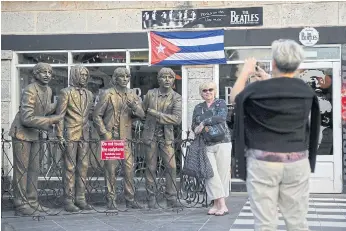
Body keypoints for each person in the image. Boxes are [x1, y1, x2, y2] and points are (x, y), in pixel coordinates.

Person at [230, 39, 321, 231]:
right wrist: (269, 80)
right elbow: (282, 91)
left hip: (263, 162)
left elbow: (235, 99)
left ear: (273, 64)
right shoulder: (305, 90)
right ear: (298, 65)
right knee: (297, 221)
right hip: (297, 161)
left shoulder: (256, 90)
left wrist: (246, 71)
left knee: (265, 223)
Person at [9, 63, 62, 215]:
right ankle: (20, 204)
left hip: (35, 134)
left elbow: (43, 109)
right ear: (36, 74)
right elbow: (26, 118)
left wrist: (58, 104)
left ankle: (32, 201)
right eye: (43, 72)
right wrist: (51, 120)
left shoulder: (49, 90)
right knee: (22, 170)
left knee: (34, 169)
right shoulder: (30, 89)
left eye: (49, 72)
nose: (47, 75)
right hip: (22, 134)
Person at [93, 67, 145, 210]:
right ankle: (111, 200)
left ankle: (130, 199)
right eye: (122, 76)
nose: (125, 79)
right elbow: (96, 116)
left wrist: (134, 107)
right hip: (112, 137)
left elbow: (142, 114)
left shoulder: (132, 94)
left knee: (129, 169)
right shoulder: (107, 94)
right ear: (115, 78)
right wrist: (104, 133)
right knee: (111, 170)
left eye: (127, 77)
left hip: (126, 138)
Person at [142, 67, 182, 209]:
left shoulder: (176, 97)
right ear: (158, 79)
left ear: (173, 80)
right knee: (151, 167)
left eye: (170, 77)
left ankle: (171, 197)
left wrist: (155, 114)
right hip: (150, 135)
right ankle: (151, 197)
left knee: (171, 167)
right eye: (163, 77)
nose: (167, 80)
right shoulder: (150, 94)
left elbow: (176, 119)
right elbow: (142, 112)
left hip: (166, 137)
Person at [56, 65, 94, 212]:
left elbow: (90, 114)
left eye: (86, 75)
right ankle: (68, 200)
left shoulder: (90, 94)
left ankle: (80, 198)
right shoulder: (65, 93)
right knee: (70, 168)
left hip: (84, 135)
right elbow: (60, 116)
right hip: (70, 134)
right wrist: (59, 135)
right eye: (82, 75)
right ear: (74, 75)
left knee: (83, 167)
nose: (84, 77)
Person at [191, 81, 232, 216]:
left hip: (223, 142)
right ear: (201, 93)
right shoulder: (198, 107)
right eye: (204, 90)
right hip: (206, 144)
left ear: (214, 91)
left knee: (222, 174)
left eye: (210, 90)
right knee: (211, 174)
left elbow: (221, 117)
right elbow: (193, 125)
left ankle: (216, 204)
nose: (207, 92)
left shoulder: (220, 103)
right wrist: (198, 127)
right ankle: (223, 205)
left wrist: (203, 122)